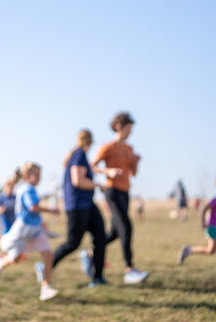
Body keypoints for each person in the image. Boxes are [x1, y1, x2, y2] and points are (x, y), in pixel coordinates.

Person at [91, 112, 149, 284]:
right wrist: (108, 171)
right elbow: (92, 166)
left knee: (116, 232)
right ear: (119, 127)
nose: (130, 132)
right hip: (112, 191)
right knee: (126, 226)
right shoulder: (108, 147)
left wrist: (136, 162)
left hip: (125, 191)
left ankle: (89, 254)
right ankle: (129, 269)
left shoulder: (129, 149)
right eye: (129, 128)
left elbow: (134, 173)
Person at [0, 162, 60, 301]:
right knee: (14, 259)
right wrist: (51, 210)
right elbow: (33, 207)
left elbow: (35, 212)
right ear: (27, 176)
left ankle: (45, 288)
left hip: (35, 230)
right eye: (36, 175)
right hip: (22, 229)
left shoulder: (30, 189)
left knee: (48, 256)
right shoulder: (27, 189)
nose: (40, 178)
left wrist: (43, 225)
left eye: (40, 175)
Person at [51, 129, 108, 287]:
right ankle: (47, 266)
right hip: (77, 205)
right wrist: (97, 185)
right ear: (90, 142)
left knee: (101, 238)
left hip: (87, 204)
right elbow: (78, 181)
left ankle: (97, 278)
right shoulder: (78, 155)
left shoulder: (78, 155)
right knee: (73, 242)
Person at [0, 170, 20, 234]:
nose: (10, 189)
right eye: (8, 187)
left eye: (11, 187)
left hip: (14, 222)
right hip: (5, 223)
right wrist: (0, 210)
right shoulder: (1, 198)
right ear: (4, 187)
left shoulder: (15, 197)